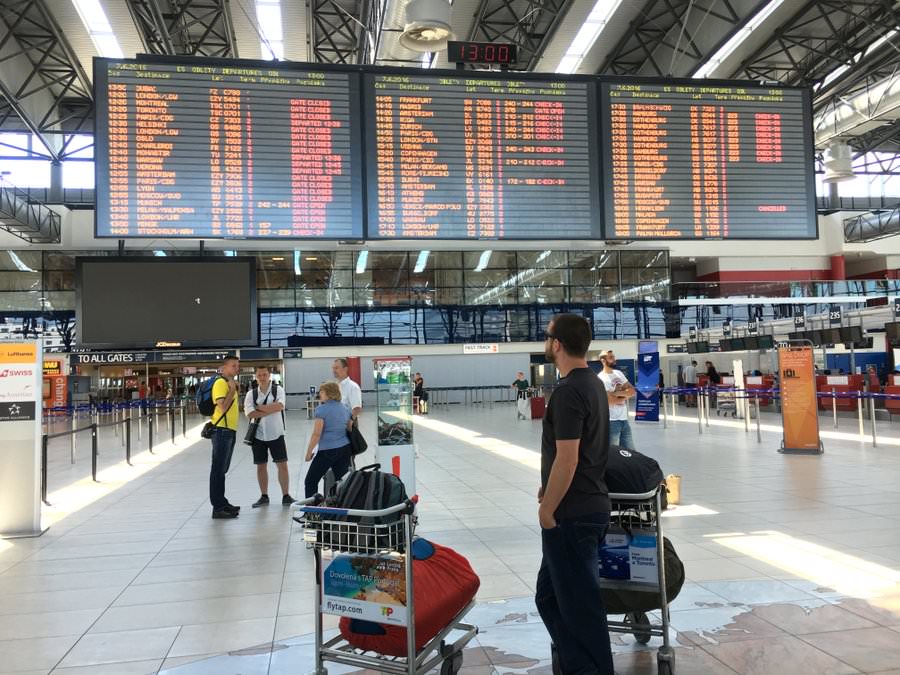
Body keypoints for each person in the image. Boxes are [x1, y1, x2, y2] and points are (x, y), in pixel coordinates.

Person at [536, 313, 614, 675]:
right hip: (588, 503)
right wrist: (548, 484)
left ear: (558, 344)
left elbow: (568, 459)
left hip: (572, 513)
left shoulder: (568, 391)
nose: (546, 342)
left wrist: (547, 510)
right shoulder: (593, 383)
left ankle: (591, 669)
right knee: (550, 597)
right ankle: (576, 665)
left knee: (580, 608)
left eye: (548, 336)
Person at [244, 365, 293, 508]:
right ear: (256, 376)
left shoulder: (278, 390)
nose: (262, 378)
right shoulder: (251, 394)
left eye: (264, 375)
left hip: (276, 433)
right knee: (261, 466)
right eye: (259, 375)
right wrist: (270, 408)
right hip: (258, 436)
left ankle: (286, 495)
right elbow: (250, 414)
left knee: (282, 465)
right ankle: (264, 496)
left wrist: (259, 408)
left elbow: (280, 406)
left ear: (269, 375)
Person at [304, 381, 352, 498]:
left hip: (327, 451)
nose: (320, 394)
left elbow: (316, 434)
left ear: (329, 393)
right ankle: (343, 510)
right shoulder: (345, 408)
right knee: (342, 482)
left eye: (322, 391)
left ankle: (311, 511)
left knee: (311, 481)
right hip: (344, 449)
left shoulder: (322, 410)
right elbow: (349, 427)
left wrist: (309, 452)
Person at [209, 355, 241, 519]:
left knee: (222, 469)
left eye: (237, 366)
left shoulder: (229, 383)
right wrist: (233, 390)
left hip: (229, 430)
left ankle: (222, 502)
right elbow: (222, 407)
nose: (236, 368)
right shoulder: (220, 383)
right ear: (225, 368)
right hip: (221, 430)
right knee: (218, 469)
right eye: (233, 366)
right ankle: (218, 507)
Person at [598, 349, 636, 451]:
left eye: (614, 357)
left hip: (624, 420)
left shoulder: (619, 373)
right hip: (611, 422)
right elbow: (610, 401)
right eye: (611, 357)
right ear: (603, 360)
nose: (614, 359)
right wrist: (624, 394)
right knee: (612, 454)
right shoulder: (600, 378)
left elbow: (632, 391)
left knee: (631, 453)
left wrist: (616, 394)